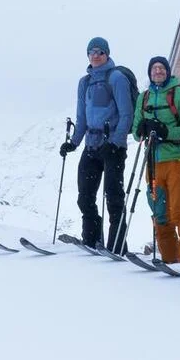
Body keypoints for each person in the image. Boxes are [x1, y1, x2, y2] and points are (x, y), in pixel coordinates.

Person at [61, 37, 135, 253]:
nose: (95, 55)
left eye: (100, 51)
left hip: (113, 147)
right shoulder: (84, 82)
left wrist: (115, 142)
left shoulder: (117, 78)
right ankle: (92, 241)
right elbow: (81, 117)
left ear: (107, 54)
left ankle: (117, 248)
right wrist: (73, 143)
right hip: (92, 147)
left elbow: (127, 114)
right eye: (91, 52)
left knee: (113, 199)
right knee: (85, 198)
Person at [132, 56, 180, 265]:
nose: (158, 71)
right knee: (159, 213)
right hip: (152, 162)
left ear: (168, 71)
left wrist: (165, 131)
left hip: (177, 159)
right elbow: (135, 132)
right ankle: (170, 260)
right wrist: (142, 129)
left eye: (162, 68)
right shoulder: (143, 98)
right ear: (150, 72)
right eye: (154, 68)